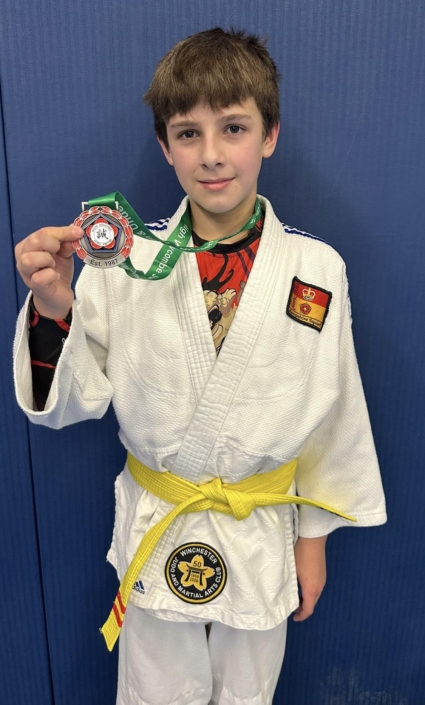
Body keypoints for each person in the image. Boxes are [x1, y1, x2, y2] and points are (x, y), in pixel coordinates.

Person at [13, 27, 387, 705]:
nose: (211, 155)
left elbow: (334, 410)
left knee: (248, 692)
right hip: (161, 517)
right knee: (154, 691)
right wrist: (54, 306)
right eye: (188, 134)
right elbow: (70, 402)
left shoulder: (316, 268)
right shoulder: (124, 260)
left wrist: (313, 541)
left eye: (234, 128)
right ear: (165, 146)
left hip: (260, 526)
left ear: (269, 135)